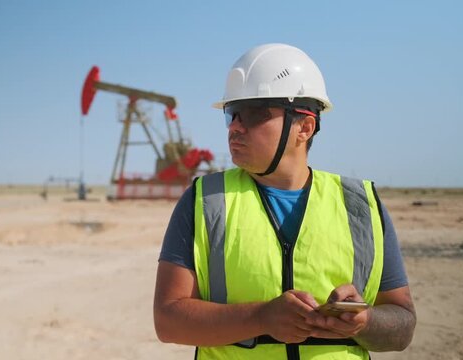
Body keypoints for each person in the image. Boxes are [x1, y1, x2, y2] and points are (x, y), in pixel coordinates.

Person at [153, 43, 416, 360]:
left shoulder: (360, 205)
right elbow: (168, 321)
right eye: (231, 114)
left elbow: (403, 327)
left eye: (253, 114)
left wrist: (364, 322)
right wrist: (260, 318)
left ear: (304, 126)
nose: (236, 126)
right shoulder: (205, 201)